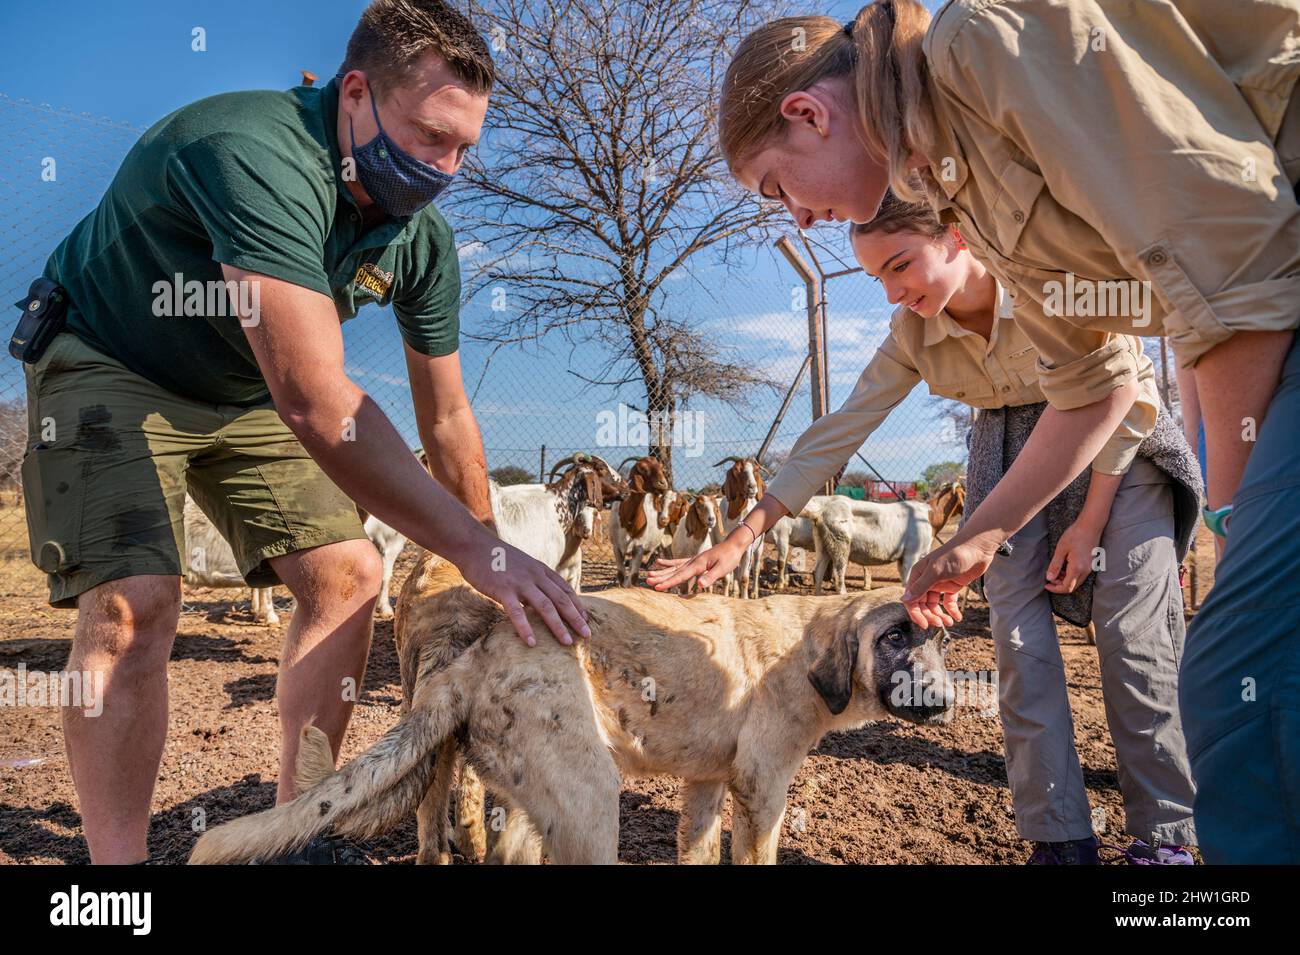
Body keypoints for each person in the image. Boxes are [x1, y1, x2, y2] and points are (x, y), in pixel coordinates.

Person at [693, 0, 1300, 864]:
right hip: (1147, 382)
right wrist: (973, 539)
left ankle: (1166, 845)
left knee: (1238, 685)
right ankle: (1062, 838)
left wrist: (1234, 521)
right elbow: (1085, 384)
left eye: (777, 188)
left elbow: (1229, 249)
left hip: (1242, 337)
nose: (794, 217)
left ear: (807, 114)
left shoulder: (979, 51)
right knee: (1188, 681)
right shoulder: (959, 180)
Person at [19, 0, 587, 865]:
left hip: (243, 386)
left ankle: (293, 831)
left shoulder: (420, 241)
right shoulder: (254, 152)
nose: (449, 168)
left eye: (466, 147)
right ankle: (117, 874)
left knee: (350, 573)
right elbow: (318, 399)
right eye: (432, 137)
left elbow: (448, 415)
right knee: (136, 606)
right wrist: (479, 550)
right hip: (112, 355)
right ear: (355, 94)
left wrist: (485, 563)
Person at [653, 193, 1203, 863]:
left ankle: (1163, 840)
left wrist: (1090, 522)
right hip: (1006, 454)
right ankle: (1060, 840)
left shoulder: (1041, 274)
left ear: (958, 236)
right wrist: (744, 534)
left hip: (1117, 447)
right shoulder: (914, 332)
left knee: (1133, 641)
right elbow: (839, 430)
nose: (892, 290)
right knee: (1019, 647)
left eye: (901, 264)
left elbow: (1127, 388)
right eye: (877, 277)